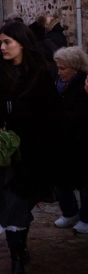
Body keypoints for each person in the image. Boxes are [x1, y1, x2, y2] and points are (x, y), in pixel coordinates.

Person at [0, 22, 62, 273]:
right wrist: (1, 115)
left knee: (24, 204)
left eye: (7, 42)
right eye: (0, 42)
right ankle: (15, 256)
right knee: (10, 204)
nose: (1, 47)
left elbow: (52, 112)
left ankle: (21, 244)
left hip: (33, 153)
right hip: (4, 153)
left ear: (21, 43)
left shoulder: (40, 73)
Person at [50, 47, 88, 233]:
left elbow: (80, 116)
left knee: (84, 183)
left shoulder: (83, 86)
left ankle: (86, 218)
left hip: (80, 142)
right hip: (61, 141)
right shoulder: (60, 84)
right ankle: (69, 212)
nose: (59, 72)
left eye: (63, 68)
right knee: (61, 180)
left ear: (75, 68)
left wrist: (58, 115)